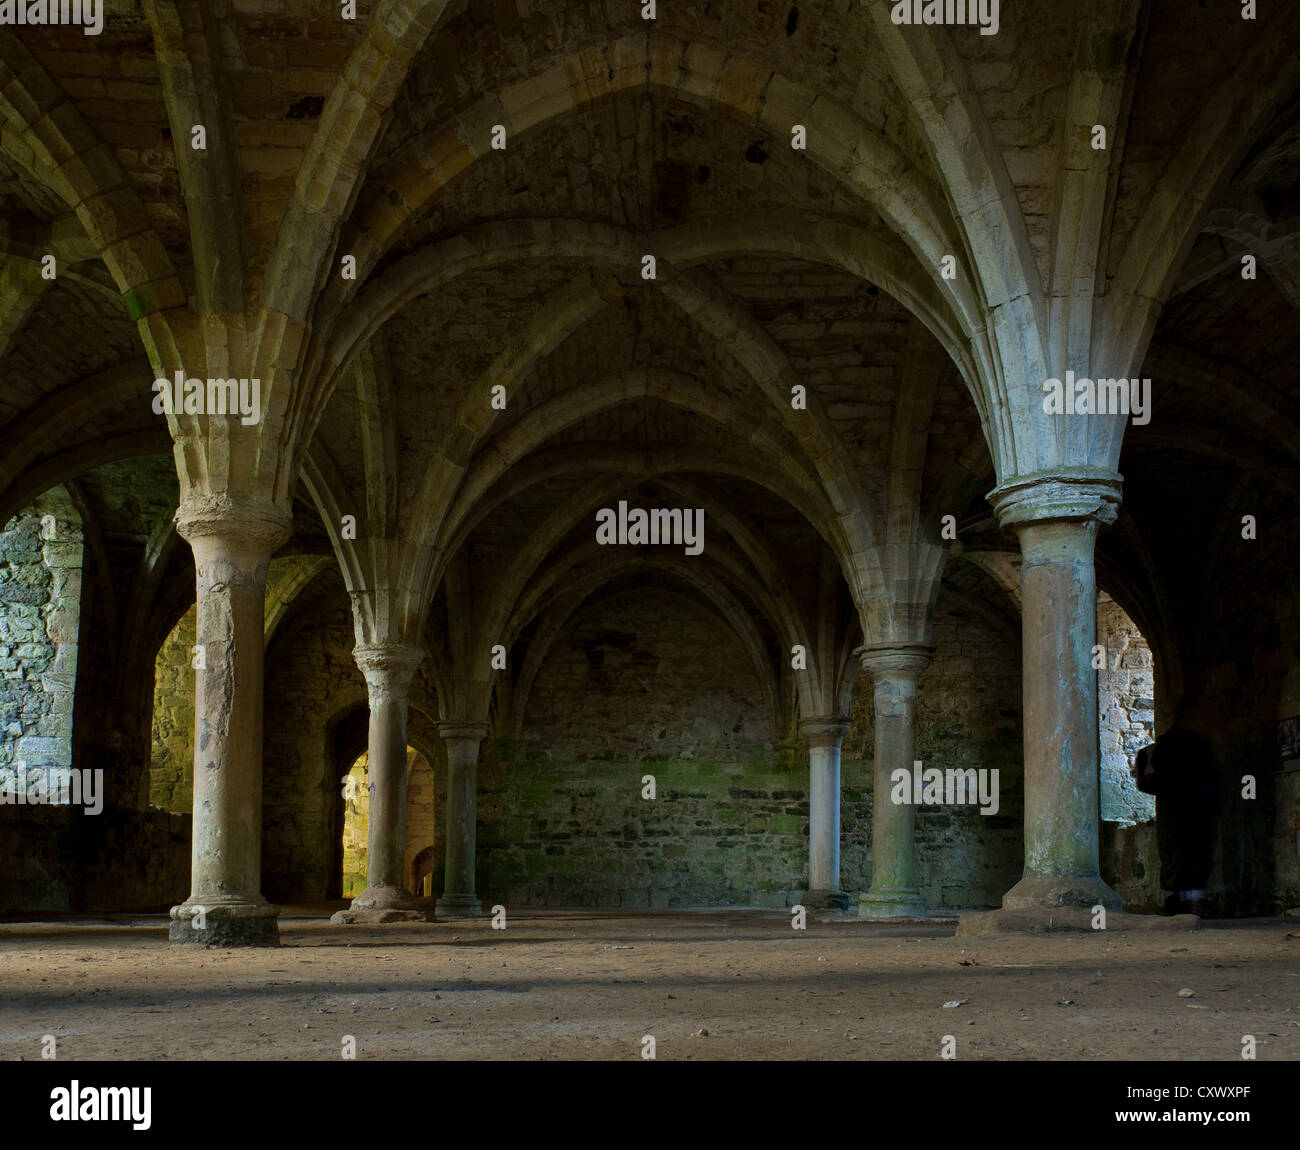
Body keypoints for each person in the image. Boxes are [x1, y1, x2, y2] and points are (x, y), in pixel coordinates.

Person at [1130, 697, 1222, 916]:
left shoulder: (1190, 745)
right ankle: (1183, 903)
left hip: (1188, 812)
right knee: (1183, 857)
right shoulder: (1174, 747)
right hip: (1184, 812)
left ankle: (1184, 903)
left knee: (1186, 857)